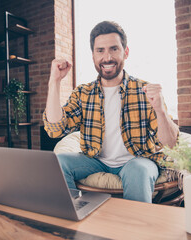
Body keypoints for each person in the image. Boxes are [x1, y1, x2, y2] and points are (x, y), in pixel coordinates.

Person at [43, 21, 179, 203]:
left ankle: (132, 231)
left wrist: (160, 110)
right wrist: (55, 82)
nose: (107, 57)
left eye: (114, 49)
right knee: (57, 163)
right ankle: (73, 218)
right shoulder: (83, 93)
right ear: (93, 55)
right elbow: (55, 129)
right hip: (95, 160)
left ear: (126, 52)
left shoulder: (144, 90)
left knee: (138, 171)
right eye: (100, 50)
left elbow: (171, 144)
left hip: (137, 160)